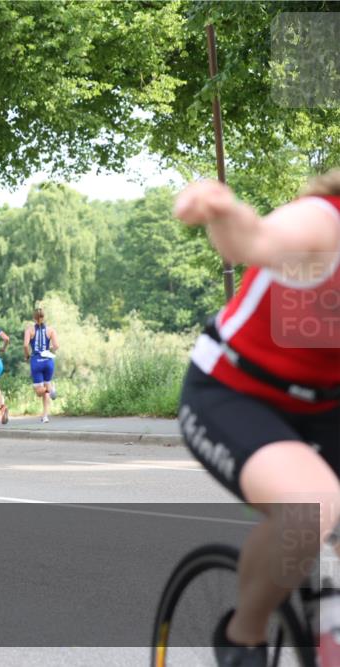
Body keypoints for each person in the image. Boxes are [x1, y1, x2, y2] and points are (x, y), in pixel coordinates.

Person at [173, 172, 340, 667]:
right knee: (310, 505)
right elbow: (254, 239)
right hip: (235, 391)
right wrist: (220, 210)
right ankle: (242, 637)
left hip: (327, 403)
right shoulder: (322, 225)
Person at [24, 307, 60, 423]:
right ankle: (45, 416)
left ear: (34, 318)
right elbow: (56, 346)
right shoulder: (51, 330)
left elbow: (25, 345)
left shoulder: (29, 330)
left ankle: (49, 389)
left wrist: (27, 356)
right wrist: (48, 349)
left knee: (39, 392)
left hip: (36, 361)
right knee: (46, 388)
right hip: (48, 361)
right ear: (44, 317)